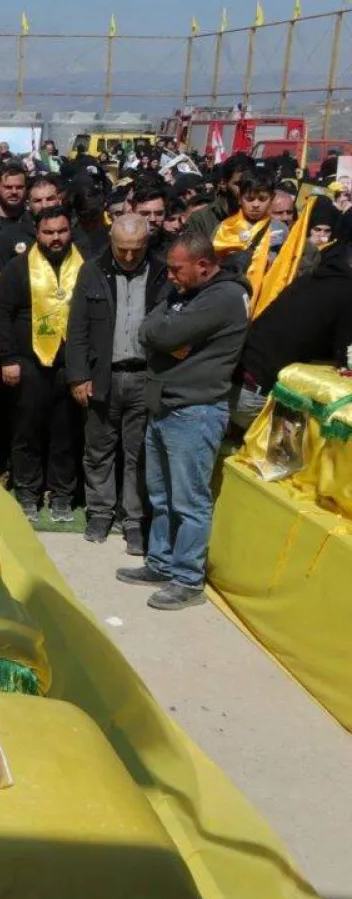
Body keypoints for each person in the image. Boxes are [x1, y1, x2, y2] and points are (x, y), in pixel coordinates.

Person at [118, 233, 248, 611]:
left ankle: (188, 579)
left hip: (195, 411)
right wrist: (160, 333)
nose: (171, 276)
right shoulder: (187, 293)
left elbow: (165, 332)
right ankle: (161, 563)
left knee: (189, 501)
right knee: (160, 496)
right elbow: (148, 328)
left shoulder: (223, 297)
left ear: (203, 266)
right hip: (166, 406)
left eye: (177, 269)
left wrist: (161, 333)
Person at [65, 214, 169, 553]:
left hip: (145, 376)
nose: (128, 256)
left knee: (138, 453)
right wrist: (78, 375)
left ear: (147, 242)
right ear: (111, 241)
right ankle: (99, 512)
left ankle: (134, 518)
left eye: (136, 249)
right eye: (122, 249)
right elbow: (77, 328)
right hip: (102, 376)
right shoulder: (92, 271)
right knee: (98, 449)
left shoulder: (162, 272)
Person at [0, 206, 86, 522]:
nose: (56, 238)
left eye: (61, 231)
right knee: (26, 431)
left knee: (66, 433)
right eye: (49, 232)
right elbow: (1, 314)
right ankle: (27, 491)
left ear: (70, 231)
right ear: (37, 233)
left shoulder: (85, 266)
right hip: (28, 363)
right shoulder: (18, 268)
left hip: (70, 365)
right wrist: (7, 358)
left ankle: (61, 494)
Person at [233, 234, 352, 431]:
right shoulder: (347, 293)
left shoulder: (308, 280)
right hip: (254, 395)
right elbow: (346, 356)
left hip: (234, 380)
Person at [0, 175, 63, 269]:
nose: (44, 205)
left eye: (50, 199)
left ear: (59, 200)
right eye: (37, 201)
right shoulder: (9, 237)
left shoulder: (71, 234)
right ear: (28, 204)